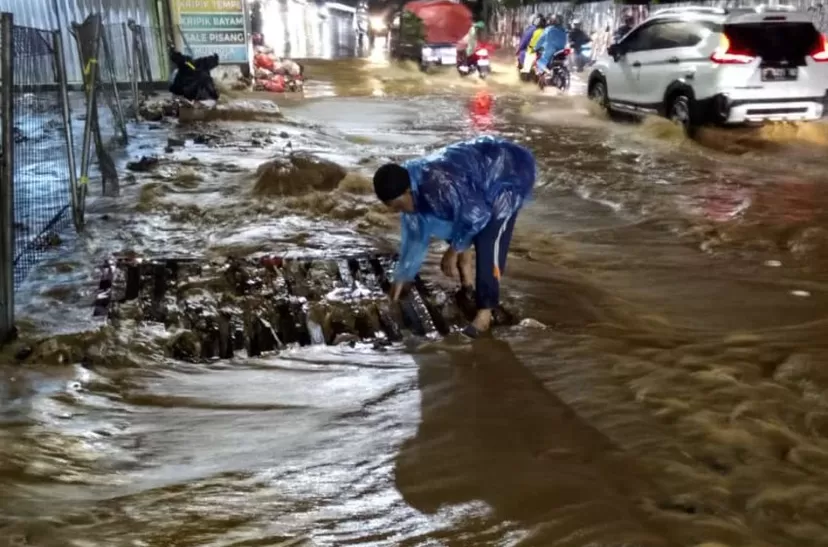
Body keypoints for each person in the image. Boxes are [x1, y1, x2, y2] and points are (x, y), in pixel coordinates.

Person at [372, 136, 537, 338]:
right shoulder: (411, 185)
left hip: (509, 172)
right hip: (474, 182)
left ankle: (485, 314)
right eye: (393, 208)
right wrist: (402, 277)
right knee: (449, 220)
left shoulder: (437, 184)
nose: (399, 211)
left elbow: (479, 215)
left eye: (398, 206)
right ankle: (468, 286)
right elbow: (415, 237)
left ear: (408, 191)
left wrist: (453, 251)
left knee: (489, 241)